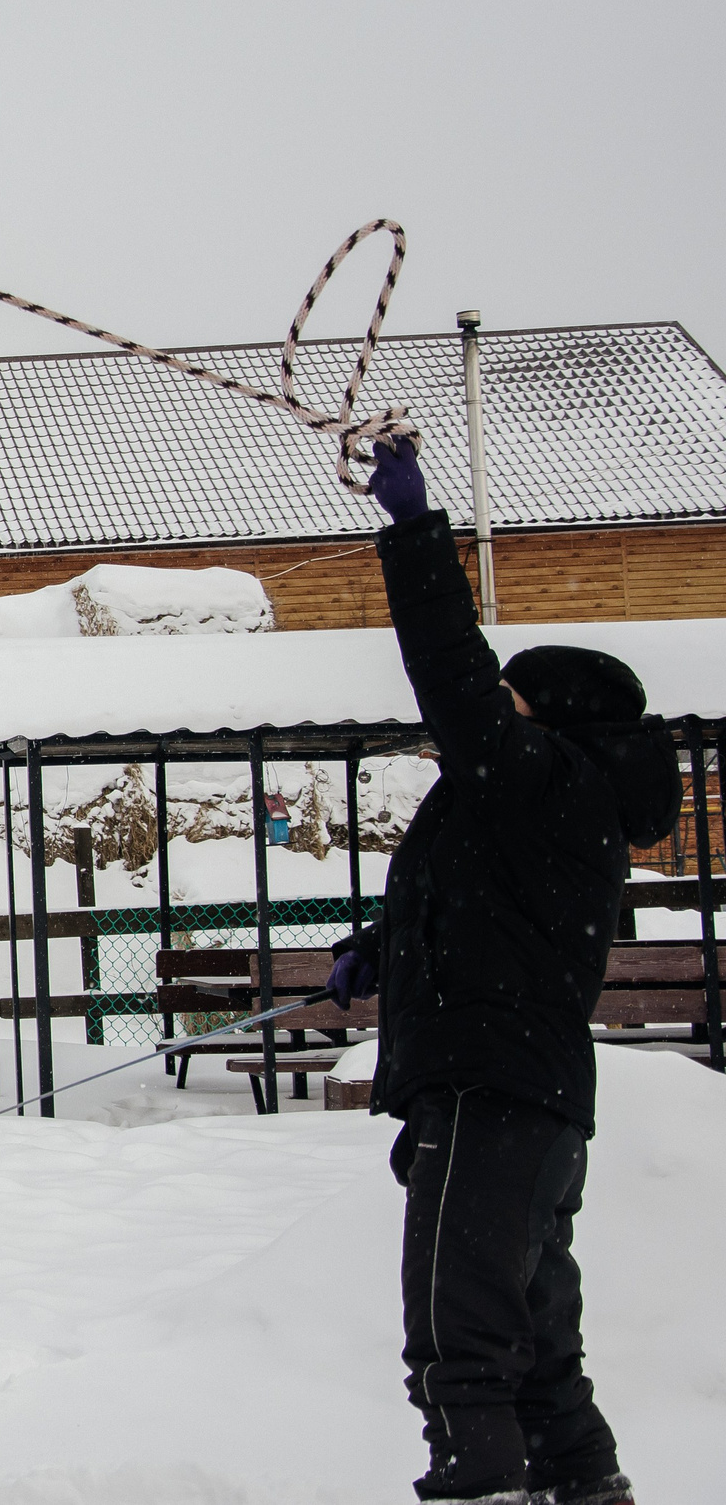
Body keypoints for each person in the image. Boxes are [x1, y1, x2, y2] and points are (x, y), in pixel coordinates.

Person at [327, 437, 681, 1505]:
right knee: (527, 1338)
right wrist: (379, 949)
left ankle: (478, 1488)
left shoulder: (549, 781)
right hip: (519, 1091)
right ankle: (586, 1490)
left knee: (457, 1331)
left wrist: (411, 530)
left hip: (496, 1090)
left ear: (550, 718)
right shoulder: (529, 804)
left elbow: (450, 667)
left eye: (510, 706)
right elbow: (472, 903)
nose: (491, 721)